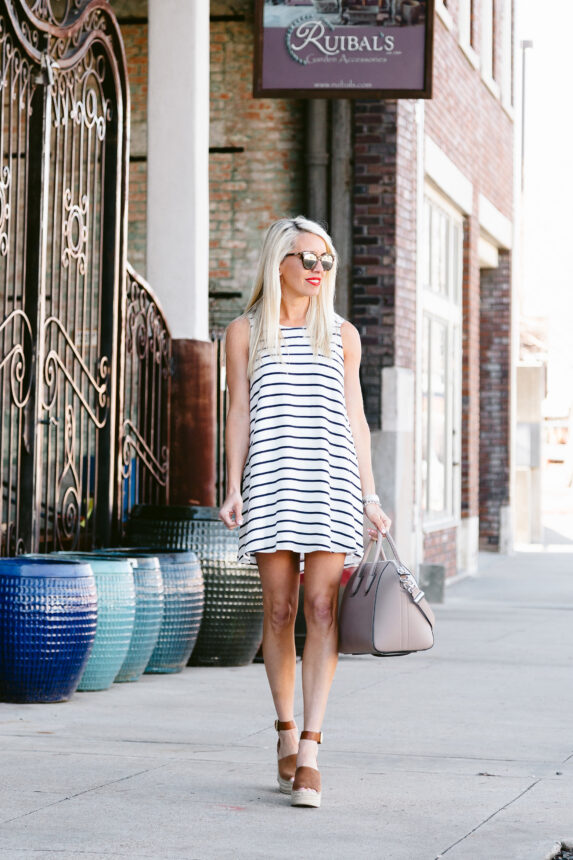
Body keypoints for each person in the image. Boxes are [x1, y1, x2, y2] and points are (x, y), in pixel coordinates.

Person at [219, 216, 391, 808]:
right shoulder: (244, 332)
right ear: (279, 263)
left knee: (322, 608)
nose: (318, 271)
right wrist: (231, 482)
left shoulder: (342, 334)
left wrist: (370, 496)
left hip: (331, 482)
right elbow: (239, 410)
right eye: (306, 259)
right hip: (270, 481)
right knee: (279, 608)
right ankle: (285, 730)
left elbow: (357, 420)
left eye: (326, 261)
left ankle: (312, 750)